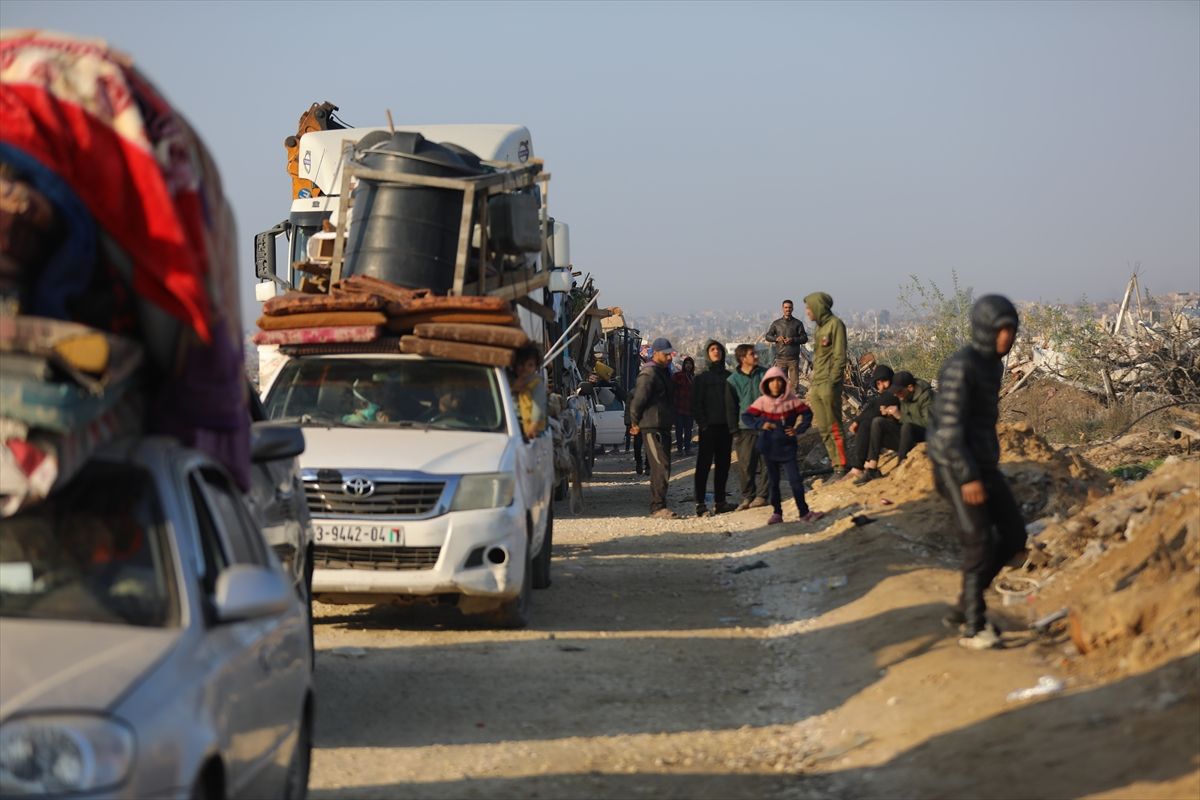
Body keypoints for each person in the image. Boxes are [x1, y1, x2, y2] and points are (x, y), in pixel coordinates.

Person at [928, 295, 1028, 650]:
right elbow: (947, 432)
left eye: (1011, 330)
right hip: (955, 466)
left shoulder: (992, 367)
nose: (1007, 337)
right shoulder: (962, 367)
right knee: (979, 543)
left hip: (983, 464)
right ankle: (973, 625)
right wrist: (967, 476)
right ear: (985, 329)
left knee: (1014, 535)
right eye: (1001, 330)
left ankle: (963, 606)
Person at [741, 366, 824, 526]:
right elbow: (746, 416)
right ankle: (777, 513)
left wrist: (799, 429)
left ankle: (804, 512)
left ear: (784, 382)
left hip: (788, 448)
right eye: (771, 381)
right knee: (774, 482)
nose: (775, 384)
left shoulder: (792, 401)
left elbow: (807, 413)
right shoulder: (762, 402)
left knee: (795, 481)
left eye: (779, 381)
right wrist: (761, 424)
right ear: (766, 383)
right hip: (769, 448)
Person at [855, 370, 932, 483]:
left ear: (910, 387)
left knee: (907, 427)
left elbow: (928, 424)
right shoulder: (904, 396)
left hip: (924, 436)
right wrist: (891, 417)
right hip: (907, 437)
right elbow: (903, 420)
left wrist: (900, 416)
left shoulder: (926, 396)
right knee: (878, 422)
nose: (896, 395)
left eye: (899, 392)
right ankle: (872, 468)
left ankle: (901, 463)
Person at [628, 337, 676, 519]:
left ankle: (660, 504)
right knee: (659, 466)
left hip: (662, 426)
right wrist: (635, 423)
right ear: (655, 353)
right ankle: (657, 507)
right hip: (652, 426)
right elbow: (638, 401)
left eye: (670, 354)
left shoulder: (663, 372)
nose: (669, 357)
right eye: (666, 354)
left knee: (664, 465)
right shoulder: (649, 374)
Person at [690, 340, 737, 517]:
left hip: (726, 428)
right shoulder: (701, 378)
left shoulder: (729, 377)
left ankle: (720, 502)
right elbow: (695, 404)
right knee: (704, 466)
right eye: (712, 349)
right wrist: (702, 423)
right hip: (708, 428)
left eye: (718, 349)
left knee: (723, 466)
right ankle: (700, 503)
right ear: (707, 353)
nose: (716, 351)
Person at [804, 292, 849, 477]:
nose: (807, 312)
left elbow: (840, 357)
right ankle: (835, 463)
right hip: (817, 383)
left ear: (819, 307)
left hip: (829, 384)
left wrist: (832, 382)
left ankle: (842, 466)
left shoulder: (835, 325)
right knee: (823, 428)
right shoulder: (819, 328)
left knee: (834, 426)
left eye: (809, 308)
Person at [726, 344, 769, 510]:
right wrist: (733, 431)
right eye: (752, 354)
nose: (756, 356)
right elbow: (731, 407)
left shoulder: (765, 374)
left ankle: (763, 496)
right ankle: (748, 496)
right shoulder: (733, 380)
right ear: (742, 358)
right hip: (745, 428)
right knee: (746, 465)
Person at [844, 364, 894, 481]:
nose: (882, 386)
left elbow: (877, 408)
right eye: (878, 384)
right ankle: (862, 465)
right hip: (894, 435)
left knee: (872, 422)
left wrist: (858, 421)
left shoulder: (895, 393)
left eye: (884, 381)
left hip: (905, 436)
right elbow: (874, 405)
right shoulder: (885, 395)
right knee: (867, 423)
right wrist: (857, 420)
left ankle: (862, 466)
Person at [764, 299, 809, 387]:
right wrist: (776, 339)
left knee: (794, 385)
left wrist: (793, 340)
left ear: (792, 309)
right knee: (781, 385)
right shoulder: (776, 323)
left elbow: (804, 338)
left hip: (793, 359)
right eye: (786, 307)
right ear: (782, 308)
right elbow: (768, 336)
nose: (788, 309)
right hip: (780, 359)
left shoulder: (798, 323)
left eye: (789, 307)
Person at [510, 343, 547, 440]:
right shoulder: (510, 382)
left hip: (533, 430)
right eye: (521, 364)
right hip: (516, 426)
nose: (525, 369)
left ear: (536, 367)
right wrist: (513, 388)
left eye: (530, 365)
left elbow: (538, 406)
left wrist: (534, 425)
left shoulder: (536, 383)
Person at [672, 356, 696, 454]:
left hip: (690, 409)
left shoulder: (694, 378)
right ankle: (679, 449)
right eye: (687, 363)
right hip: (678, 408)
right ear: (684, 365)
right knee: (679, 430)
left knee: (688, 431)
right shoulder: (678, 376)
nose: (688, 365)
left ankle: (687, 448)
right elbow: (672, 390)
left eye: (690, 364)